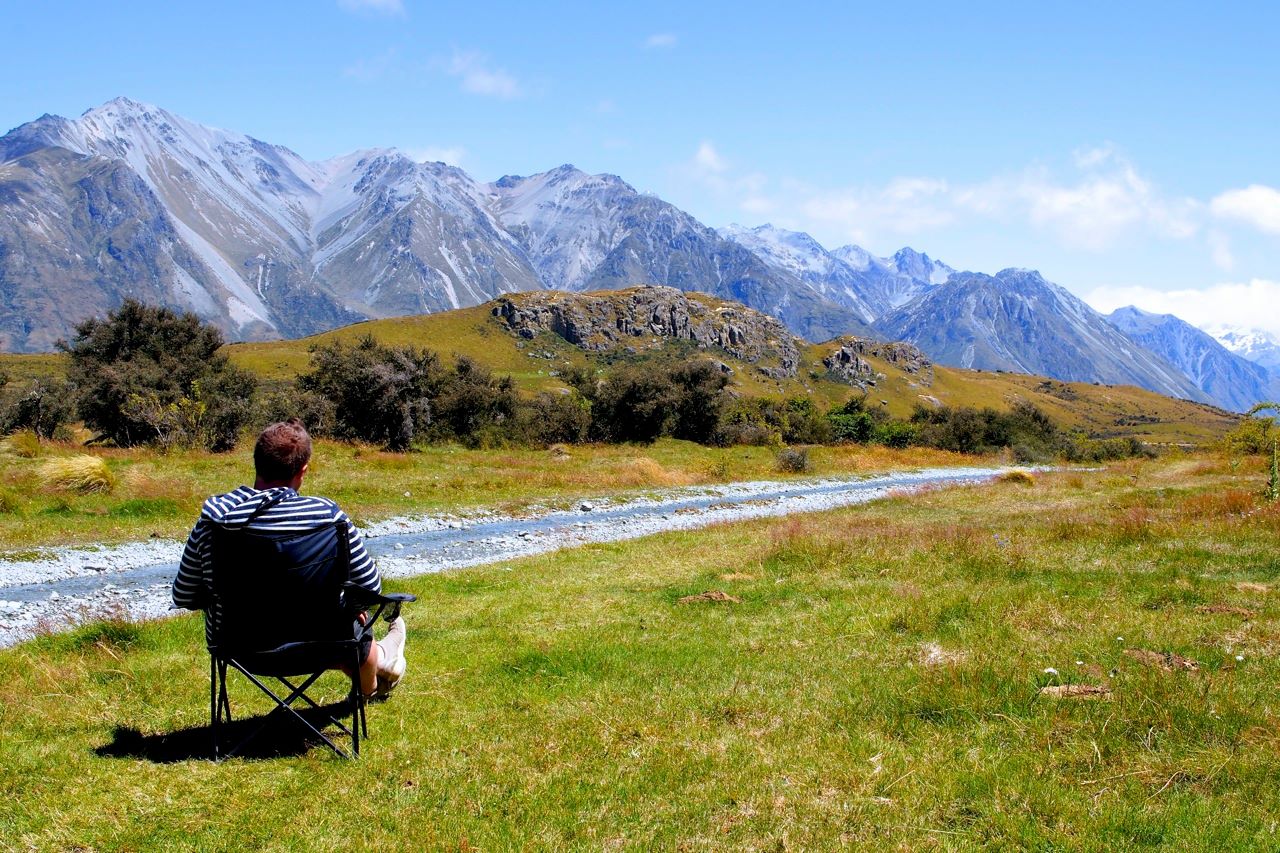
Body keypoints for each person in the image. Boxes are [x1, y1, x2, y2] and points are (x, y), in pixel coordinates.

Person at [173, 418, 406, 698]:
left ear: (256, 463)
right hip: (324, 644)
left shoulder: (214, 518)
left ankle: (382, 662)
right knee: (352, 625)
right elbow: (371, 588)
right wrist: (347, 604)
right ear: (303, 471)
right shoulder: (327, 516)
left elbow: (183, 595)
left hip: (238, 646)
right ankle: (378, 669)